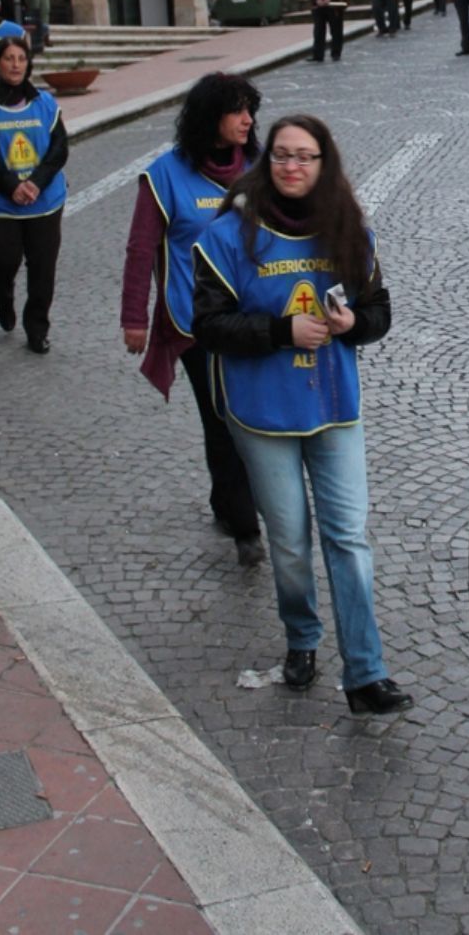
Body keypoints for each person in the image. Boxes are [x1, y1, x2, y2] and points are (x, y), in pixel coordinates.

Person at [192, 114, 412, 715]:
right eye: (282, 155)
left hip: (335, 407)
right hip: (262, 413)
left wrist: (353, 324)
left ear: (324, 164)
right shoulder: (227, 237)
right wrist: (281, 330)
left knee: (347, 538)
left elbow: (379, 312)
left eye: (305, 156)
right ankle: (302, 638)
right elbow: (206, 326)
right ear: (268, 163)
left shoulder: (349, 233)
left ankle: (366, 674)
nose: (292, 166)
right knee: (289, 542)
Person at [120, 74, 264, 566]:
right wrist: (133, 317)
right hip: (194, 325)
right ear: (209, 117)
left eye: (251, 109)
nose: (248, 120)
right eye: (237, 110)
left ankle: (227, 503)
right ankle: (247, 526)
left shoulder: (262, 169)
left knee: (245, 415)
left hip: (257, 322)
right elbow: (141, 248)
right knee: (222, 416)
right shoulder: (165, 175)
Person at [0, 36, 68, 353]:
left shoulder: (46, 104)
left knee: (42, 267)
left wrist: (36, 182)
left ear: (28, 63)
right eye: (9, 58)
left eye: (21, 58)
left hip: (44, 200)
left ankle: (37, 328)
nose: (16, 65)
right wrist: (12, 186)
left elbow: (59, 149)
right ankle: (2, 294)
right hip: (0, 203)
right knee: (5, 260)